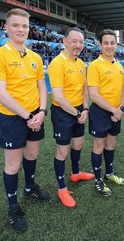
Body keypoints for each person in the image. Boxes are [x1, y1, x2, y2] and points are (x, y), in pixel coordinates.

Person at [0, 8, 49, 233]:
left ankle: (30, 187)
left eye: (24, 26)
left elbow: (42, 86)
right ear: (6, 27)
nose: (21, 29)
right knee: (13, 165)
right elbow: (0, 93)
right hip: (13, 118)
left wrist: (42, 111)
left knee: (32, 155)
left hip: (36, 114)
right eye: (16, 25)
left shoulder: (35, 56)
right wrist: (29, 116)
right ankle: (13, 207)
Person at [48, 27, 94, 208]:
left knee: (79, 144)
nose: (78, 45)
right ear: (65, 42)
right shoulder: (57, 63)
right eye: (74, 41)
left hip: (78, 110)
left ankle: (75, 173)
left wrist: (84, 109)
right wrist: (76, 113)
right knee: (63, 152)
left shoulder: (81, 64)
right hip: (63, 113)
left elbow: (84, 89)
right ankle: (61, 189)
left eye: (81, 42)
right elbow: (58, 96)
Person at [87, 29, 124, 196]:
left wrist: (121, 108)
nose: (109, 46)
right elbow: (94, 94)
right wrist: (114, 110)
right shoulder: (95, 65)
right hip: (101, 112)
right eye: (106, 43)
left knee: (111, 144)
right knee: (99, 146)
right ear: (100, 44)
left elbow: (123, 89)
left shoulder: (118, 65)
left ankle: (109, 174)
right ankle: (98, 180)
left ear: (116, 44)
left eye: (112, 43)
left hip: (115, 112)